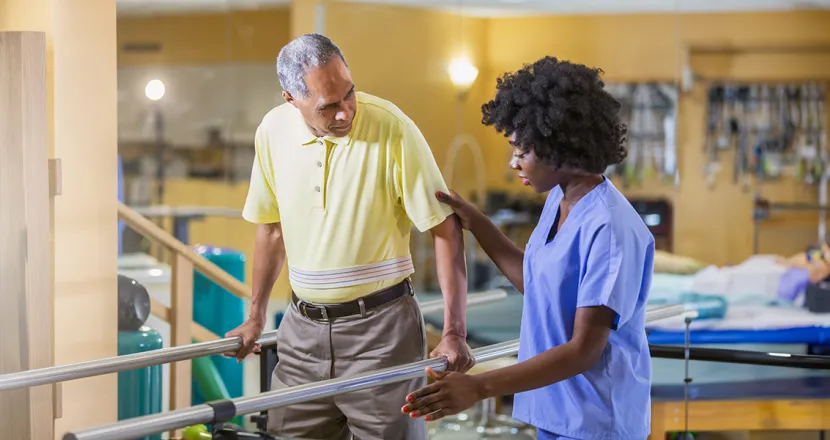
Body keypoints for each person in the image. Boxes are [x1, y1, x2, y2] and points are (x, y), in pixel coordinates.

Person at [227, 33, 474, 440]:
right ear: (291, 99)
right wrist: (254, 317)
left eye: (349, 95)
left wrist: (453, 333)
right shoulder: (272, 131)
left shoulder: (392, 127)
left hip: (381, 334)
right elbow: (270, 229)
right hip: (300, 336)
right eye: (328, 107)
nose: (345, 113)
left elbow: (443, 227)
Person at [402, 56, 655, 439]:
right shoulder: (559, 198)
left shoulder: (610, 228)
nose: (514, 163)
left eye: (522, 152)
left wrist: (479, 387)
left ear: (560, 148)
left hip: (598, 420)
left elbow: (584, 349)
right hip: (556, 410)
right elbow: (540, 284)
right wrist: (479, 224)